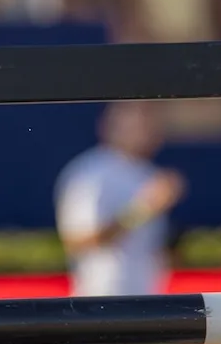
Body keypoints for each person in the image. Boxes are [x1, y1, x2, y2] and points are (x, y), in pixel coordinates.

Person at [54, 101, 186, 297]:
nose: (148, 129)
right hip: (102, 297)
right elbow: (78, 241)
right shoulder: (91, 173)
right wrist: (144, 208)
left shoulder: (147, 173)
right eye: (138, 122)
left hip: (148, 298)